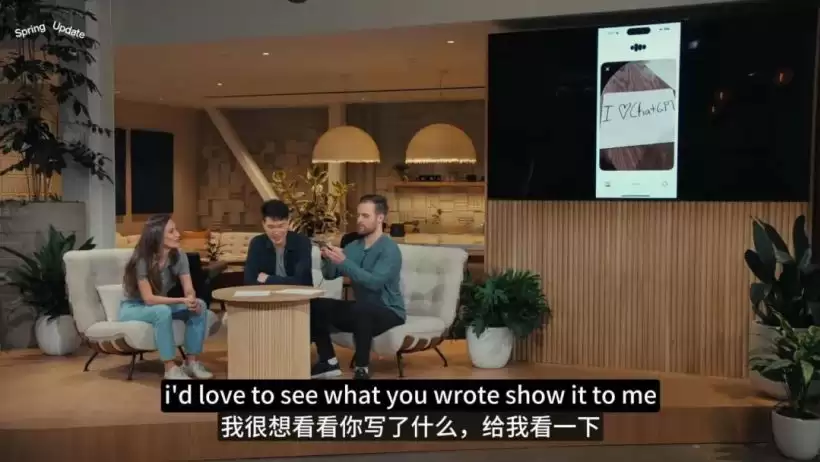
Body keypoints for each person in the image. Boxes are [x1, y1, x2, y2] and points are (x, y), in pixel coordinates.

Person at [310, 194, 406, 380]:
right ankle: (328, 362)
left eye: (365, 216)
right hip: (362, 310)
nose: (360, 220)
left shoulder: (390, 249)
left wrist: (344, 261)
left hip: (390, 311)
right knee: (315, 306)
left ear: (380, 218)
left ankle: (362, 368)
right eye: (359, 215)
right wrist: (327, 257)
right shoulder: (354, 246)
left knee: (362, 309)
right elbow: (330, 275)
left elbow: (374, 283)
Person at [120, 214, 213, 380]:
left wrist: (191, 298)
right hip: (134, 308)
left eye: (176, 230)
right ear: (157, 236)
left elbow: (188, 287)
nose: (178, 234)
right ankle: (170, 368)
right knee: (162, 311)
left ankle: (191, 363)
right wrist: (182, 300)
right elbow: (149, 299)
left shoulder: (179, 255)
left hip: (159, 305)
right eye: (171, 231)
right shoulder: (142, 259)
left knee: (200, 305)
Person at [244, 199, 313, 287]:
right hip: (267, 294)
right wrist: (289, 280)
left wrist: (268, 279)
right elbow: (249, 280)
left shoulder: (301, 242)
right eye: (271, 227)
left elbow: (302, 281)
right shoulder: (257, 243)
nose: (276, 232)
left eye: (281, 226)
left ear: (288, 222)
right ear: (263, 224)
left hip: (297, 294)